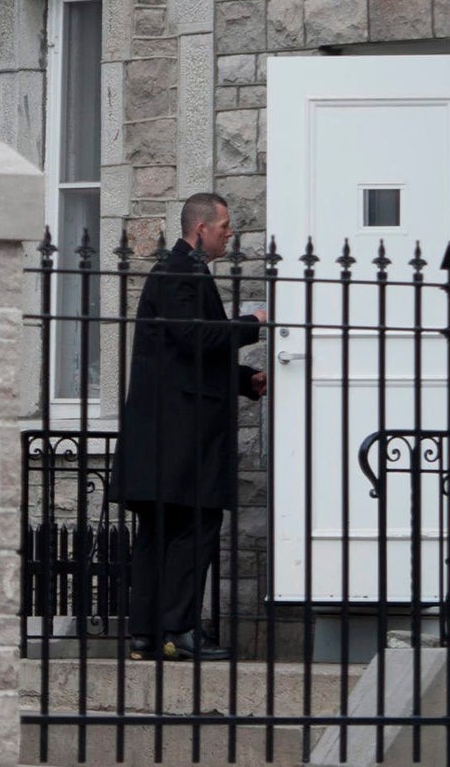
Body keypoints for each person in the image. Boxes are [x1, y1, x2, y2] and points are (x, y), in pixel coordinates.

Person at [112, 190, 267, 662]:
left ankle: (146, 634)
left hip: (167, 433)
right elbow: (195, 336)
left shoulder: (181, 272)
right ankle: (178, 630)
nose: (229, 233)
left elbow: (183, 357)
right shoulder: (180, 271)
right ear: (201, 229)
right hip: (178, 437)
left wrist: (244, 380)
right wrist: (252, 322)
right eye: (224, 226)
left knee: (162, 532)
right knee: (194, 526)